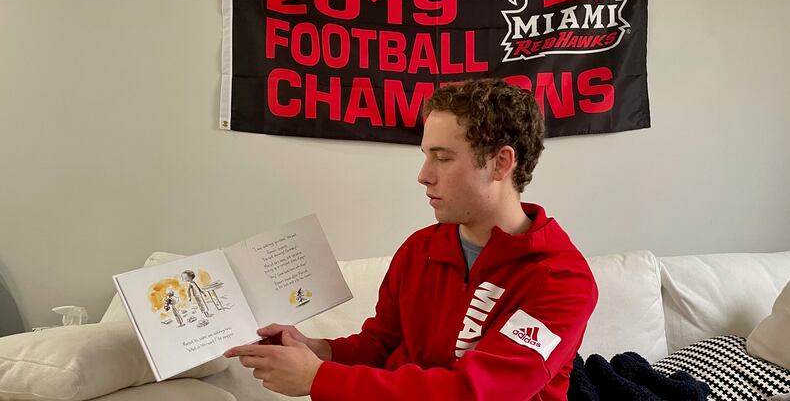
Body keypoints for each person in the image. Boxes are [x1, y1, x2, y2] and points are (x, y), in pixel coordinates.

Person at [225, 78, 598, 400]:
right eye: (425, 156)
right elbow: (378, 346)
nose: (423, 175)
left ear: (501, 163)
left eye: (443, 158)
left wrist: (317, 377)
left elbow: (475, 394)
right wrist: (317, 351)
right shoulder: (421, 248)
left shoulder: (563, 280)